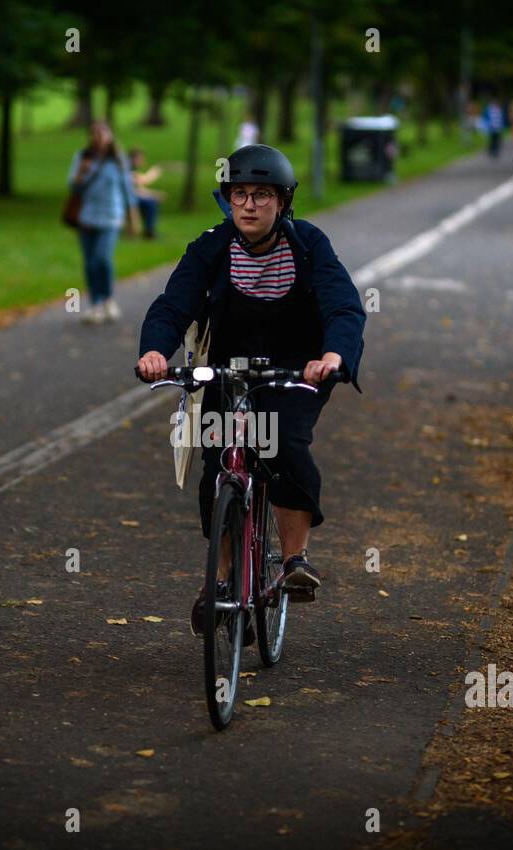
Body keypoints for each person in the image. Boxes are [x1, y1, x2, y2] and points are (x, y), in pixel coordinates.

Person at [136, 144, 366, 636]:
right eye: (239, 193)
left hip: (296, 370)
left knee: (281, 440)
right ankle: (219, 580)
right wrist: (156, 351)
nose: (249, 205)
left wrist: (333, 357)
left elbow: (343, 307)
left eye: (262, 194)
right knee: (218, 463)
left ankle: (293, 561)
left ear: (283, 202)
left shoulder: (308, 245)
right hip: (228, 370)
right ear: (228, 200)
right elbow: (172, 306)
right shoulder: (211, 247)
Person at [67, 120, 139, 324]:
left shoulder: (117, 160)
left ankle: (108, 298)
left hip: (111, 217)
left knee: (102, 259)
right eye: (94, 133)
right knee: (90, 263)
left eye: (102, 132)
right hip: (87, 217)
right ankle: (95, 304)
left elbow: (127, 189)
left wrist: (133, 218)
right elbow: (73, 187)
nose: (98, 137)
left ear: (110, 136)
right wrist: (82, 172)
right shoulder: (82, 157)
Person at [127, 148, 164, 240]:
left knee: (151, 201)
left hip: (131, 197)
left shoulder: (131, 169)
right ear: (133, 159)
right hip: (126, 199)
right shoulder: (127, 170)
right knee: (150, 203)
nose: (142, 162)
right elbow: (143, 181)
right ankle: (149, 231)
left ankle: (149, 230)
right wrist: (155, 172)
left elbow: (139, 188)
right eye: (140, 159)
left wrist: (154, 194)